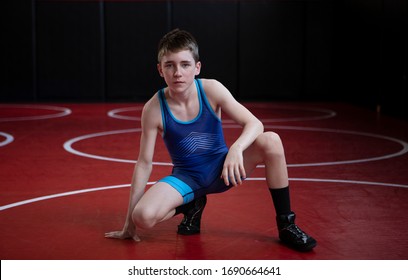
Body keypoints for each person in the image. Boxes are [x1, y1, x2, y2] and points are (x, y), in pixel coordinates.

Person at [105, 29, 316, 252]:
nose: (178, 72)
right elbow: (144, 163)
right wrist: (129, 224)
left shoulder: (211, 89)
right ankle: (190, 204)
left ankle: (286, 225)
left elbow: (255, 124)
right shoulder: (154, 108)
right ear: (160, 69)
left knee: (271, 140)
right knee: (143, 217)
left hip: (224, 169)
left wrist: (236, 149)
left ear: (197, 67)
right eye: (170, 65)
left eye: (185, 64)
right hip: (187, 178)